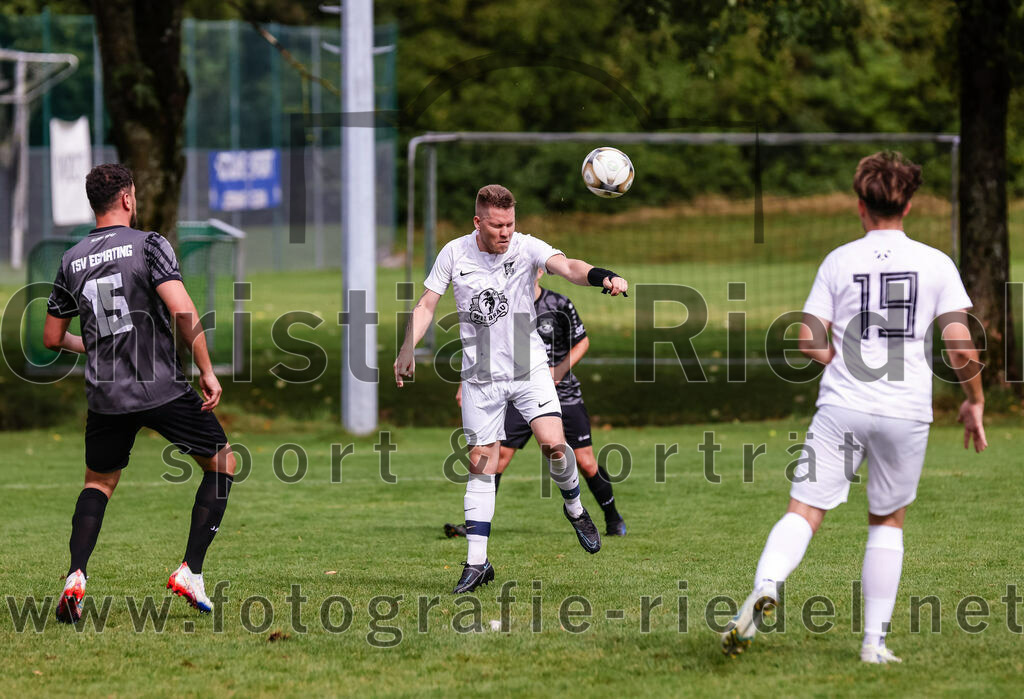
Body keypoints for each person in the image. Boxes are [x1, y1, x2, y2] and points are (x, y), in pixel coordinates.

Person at [720, 151, 987, 664]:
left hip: (842, 405)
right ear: (907, 205)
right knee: (886, 520)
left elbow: (807, 339)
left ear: (860, 206)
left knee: (805, 510)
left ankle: (766, 586)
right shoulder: (936, 263)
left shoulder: (840, 260)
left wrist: (839, 358)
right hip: (906, 411)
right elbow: (960, 348)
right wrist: (974, 401)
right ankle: (873, 645)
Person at [394, 184, 628, 593]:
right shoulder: (453, 253)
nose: (505, 232)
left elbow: (569, 266)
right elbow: (426, 304)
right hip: (479, 377)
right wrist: (406, 348)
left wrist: (602, 275)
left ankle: (574, 508)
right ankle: (477, 563)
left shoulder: (526, 247)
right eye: (497, 225)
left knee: (554, 445)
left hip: (528, 368)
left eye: (510, 223)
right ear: (478, 222)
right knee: (481, 465)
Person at [44, 164, 236, 623]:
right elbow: (183, 311)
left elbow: (52, 338)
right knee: (222, 461)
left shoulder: (71, 258)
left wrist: (90, 345)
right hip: (161, 387)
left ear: (95, 204)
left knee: (98, 483)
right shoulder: (149, 244)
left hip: (106, 396)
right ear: (128, 198)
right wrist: (207, 370)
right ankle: (191, 569)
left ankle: (76, 574)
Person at [443, 269, 626, 539]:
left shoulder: (559, 304)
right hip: (520, 392)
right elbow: (486, 346)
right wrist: (465, 383)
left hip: (563, 393)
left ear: (539, 271)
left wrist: (559, 372)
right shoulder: (503, 306)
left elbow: (582, 342)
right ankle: (475, 524)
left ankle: (613, 518)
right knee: (498, 457)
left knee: (585, 461)